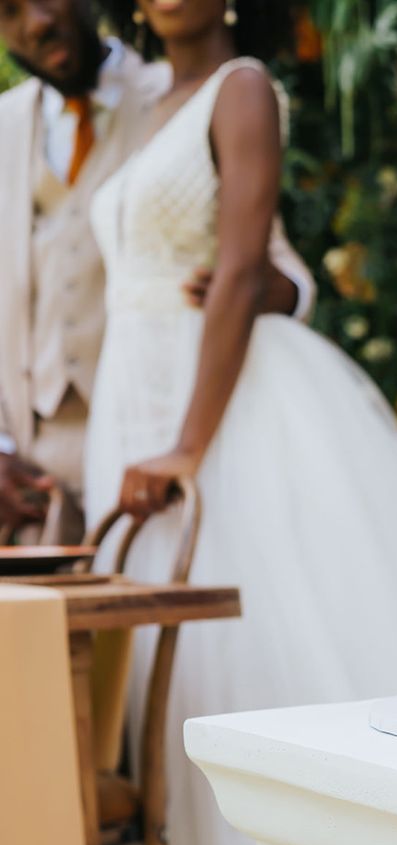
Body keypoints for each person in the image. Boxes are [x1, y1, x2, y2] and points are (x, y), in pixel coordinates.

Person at [88, 1, 397, 845]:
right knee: (164, 691)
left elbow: (244, 267)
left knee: (252, 671)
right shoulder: (151, 106)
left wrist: (189, 444)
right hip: (131, 393)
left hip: (217, 409)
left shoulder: (243, 89)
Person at [0, 0, 315, 542]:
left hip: (159, 423)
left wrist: (264, 291)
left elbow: (272, 267)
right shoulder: (4, 125)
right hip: (32, 465)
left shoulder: (187, 88)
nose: (36, 21)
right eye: (7, 10)